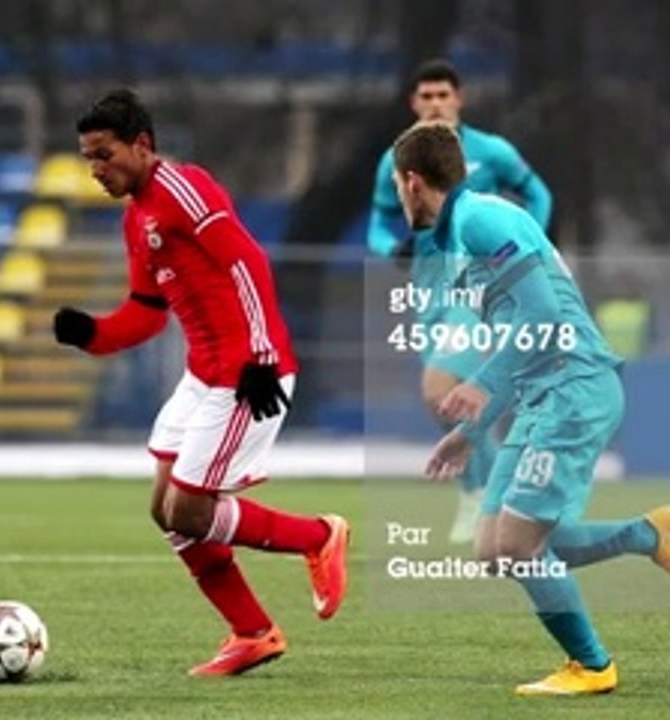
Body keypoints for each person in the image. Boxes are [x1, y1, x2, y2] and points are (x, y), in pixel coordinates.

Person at [52, 89, 349, 677]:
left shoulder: (183, 189)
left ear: (142, 145)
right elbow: (146, 310)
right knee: (165, 510)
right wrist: (91, 334)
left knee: (190, 509)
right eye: (89, 159)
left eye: (105, 155)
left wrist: (261, 354)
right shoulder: (137, 217)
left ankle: (318, 536)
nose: (96, 171)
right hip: (203, 374)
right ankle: (252, 633)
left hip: (248, 370)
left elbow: (247, 261)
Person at [392, 120, 670, 696]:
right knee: (495, 547)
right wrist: (473, 430)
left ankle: (593, 668)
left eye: (397, 184)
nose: (399, 196)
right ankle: (651, 535)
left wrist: (481, 386)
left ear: (413, 181)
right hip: (545, 391)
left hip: (574, 387)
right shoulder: (466, 229)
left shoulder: (478, 218)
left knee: (520, 545)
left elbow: (542, 319)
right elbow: (522, 339)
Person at [368, 59, 554, 544]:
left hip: (476, 285)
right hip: (429, 287)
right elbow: (378, 223)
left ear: (459, 98)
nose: (434, 103)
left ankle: (487, 497)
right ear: (413, 103)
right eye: (425, 96)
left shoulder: (489, 152)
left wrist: (528, 242)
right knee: (446, 400)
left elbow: (537, 193)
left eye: (442, 95)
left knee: (440, 386)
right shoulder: (397, 159)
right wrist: (393, 247)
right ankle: (487, 493)